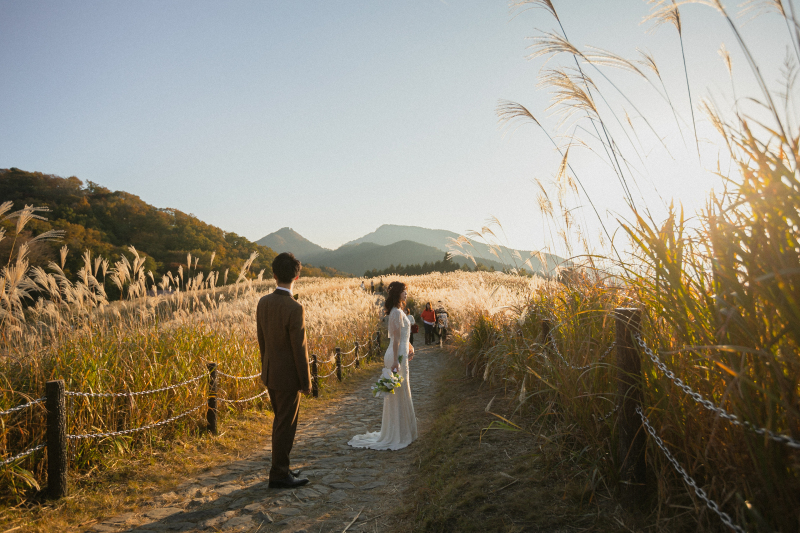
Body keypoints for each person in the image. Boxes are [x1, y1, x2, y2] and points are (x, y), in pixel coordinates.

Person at [256, 252, 312, 489]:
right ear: (297, 276)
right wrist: (306, 382)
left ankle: (282, 467)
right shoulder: (294, 307)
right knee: (284, 426)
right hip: (289, 377)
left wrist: (266, 367)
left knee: (280, 422)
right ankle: (279, 474)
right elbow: (299, 349)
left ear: (274, 275)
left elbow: (262, 341)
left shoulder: (263, 302)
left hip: (270, 373)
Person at [348, 281, 418, 450]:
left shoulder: (400, 311)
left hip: (401, 352)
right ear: (397, 294)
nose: (406, 294)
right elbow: (394, 340)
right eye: (404, 291)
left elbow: (403, 336)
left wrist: (410, 346)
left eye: (406, 291)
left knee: (402, 390)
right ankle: (397, 433)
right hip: (396, 355)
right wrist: (395, 361)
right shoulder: (395, 313)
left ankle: (403, 431)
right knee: (397, 392)